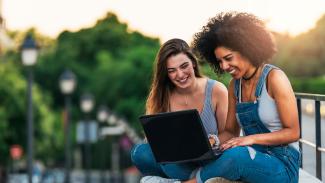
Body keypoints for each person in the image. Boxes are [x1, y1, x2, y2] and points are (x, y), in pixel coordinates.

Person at [182, 12, 300, 183]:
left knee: (237, 156)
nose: (224, 66)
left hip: (283, 166)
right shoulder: (234, 86)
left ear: (247, 49)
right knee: (220, 154)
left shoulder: (274, 78)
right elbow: (230, 132)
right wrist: (212, 141)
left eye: (228, 58)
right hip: (253, 159)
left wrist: (250, 139)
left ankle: (192, 182)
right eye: (219, 61)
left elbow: (293, 132)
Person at [130, 38, 228, 182]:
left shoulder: (216, 90)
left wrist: (211, 141)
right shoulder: (163, 96)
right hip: (180, 163)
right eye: (172, 71)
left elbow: (229, 133)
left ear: (193, 63)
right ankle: (189, 179)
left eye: (184, 66)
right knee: (139, 153)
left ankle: (185, 178)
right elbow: (158, 142)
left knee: (169, 166)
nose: (180, 75)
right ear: (166, 74)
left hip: (211, 158)